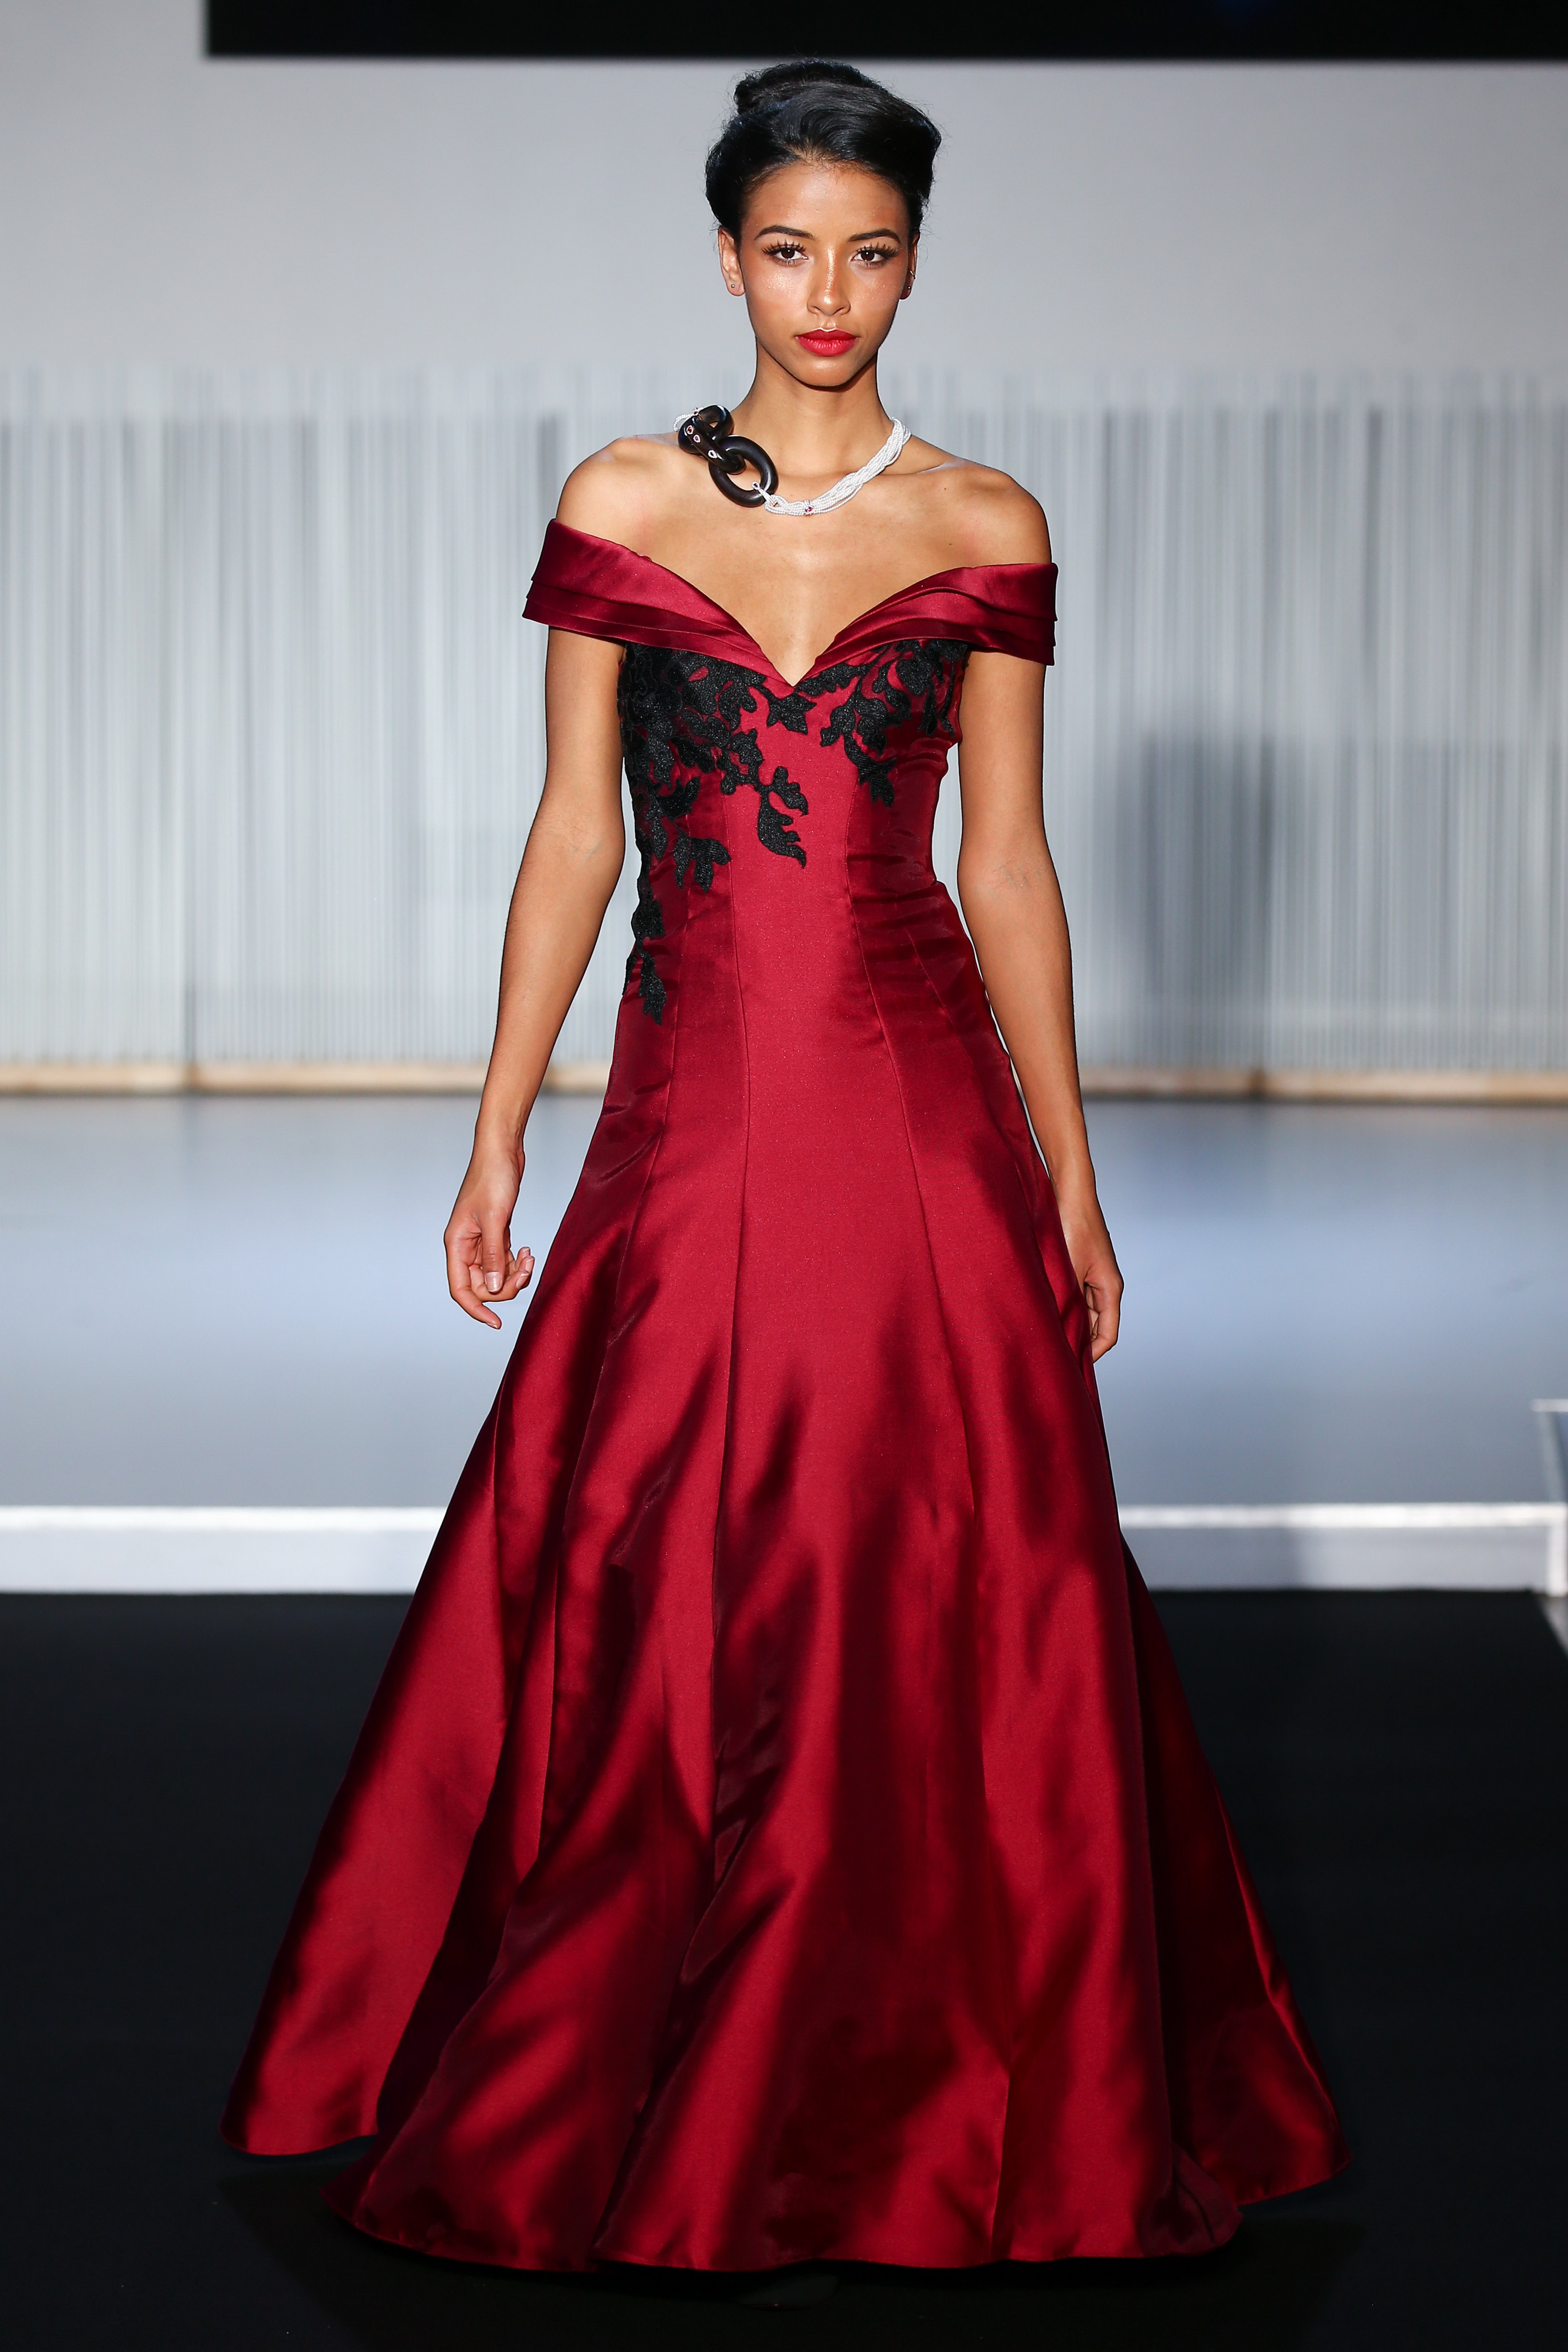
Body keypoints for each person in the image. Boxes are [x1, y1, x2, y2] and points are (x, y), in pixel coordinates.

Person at [222, 60, 1346, 2298]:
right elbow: (575, 832)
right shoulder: (624, 498)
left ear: (916, 263)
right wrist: (498, 1120)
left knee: (956, 1565)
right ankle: (659, 2030)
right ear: (726, 255)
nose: (830, 293)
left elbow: (1007, 868)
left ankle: (940, 2071)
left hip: (918, 1117)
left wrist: (1072, 1178)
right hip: (695, 1106)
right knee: (657, 1548)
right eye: (789, 249)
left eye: (873, 251)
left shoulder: (990, 519)